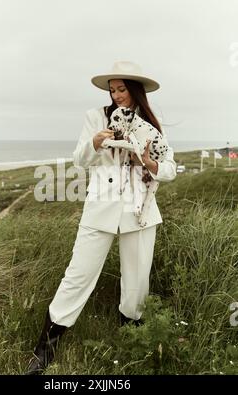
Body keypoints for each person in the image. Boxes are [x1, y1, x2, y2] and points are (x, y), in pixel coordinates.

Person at [26, 61, 177, 375]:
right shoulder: (94, 117)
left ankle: (130, 348)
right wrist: (95, 143)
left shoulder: (152, 122)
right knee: (78, 276)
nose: (117, 95)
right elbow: (80, 158)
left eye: (122, 89)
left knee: (136, 285)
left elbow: (171, 168)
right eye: (113, 90)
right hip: (100, 210)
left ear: (135, 90)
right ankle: (44, 352)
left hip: (140, 213)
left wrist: (150, 163)